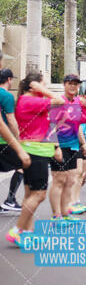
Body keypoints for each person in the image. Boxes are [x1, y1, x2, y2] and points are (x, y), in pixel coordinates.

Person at [6, 73, 64, 246]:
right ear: (34, 86)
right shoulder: (30, 100)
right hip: (35, 152)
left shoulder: (29, 101)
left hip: (36, 151)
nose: (44, 88)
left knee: (30, 194)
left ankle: (27, 232)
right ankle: (17, 230)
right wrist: (42, 90)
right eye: (42, 84)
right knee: (38, 194)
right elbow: (60, 101)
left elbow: (50, 122)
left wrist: (55, 147)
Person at [48, 75, 86, 221]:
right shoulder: (59, 102)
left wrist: (83, 143)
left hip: (73, 145)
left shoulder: (77, 103)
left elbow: (77, 126)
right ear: (64, 84)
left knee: (71, 180)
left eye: (76, 84)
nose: (73, 86)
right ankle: (56, 216)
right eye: (70, 83)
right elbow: (51, 125)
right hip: (59, 145)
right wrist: (56, 147)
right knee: (59, 180)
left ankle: (65, 213)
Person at [0, 69, 24, 212]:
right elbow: (11, 119)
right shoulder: (7, 96)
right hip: (3, 140)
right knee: (23, 164)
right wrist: (17, 139)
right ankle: (10, 199)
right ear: (9, 79)